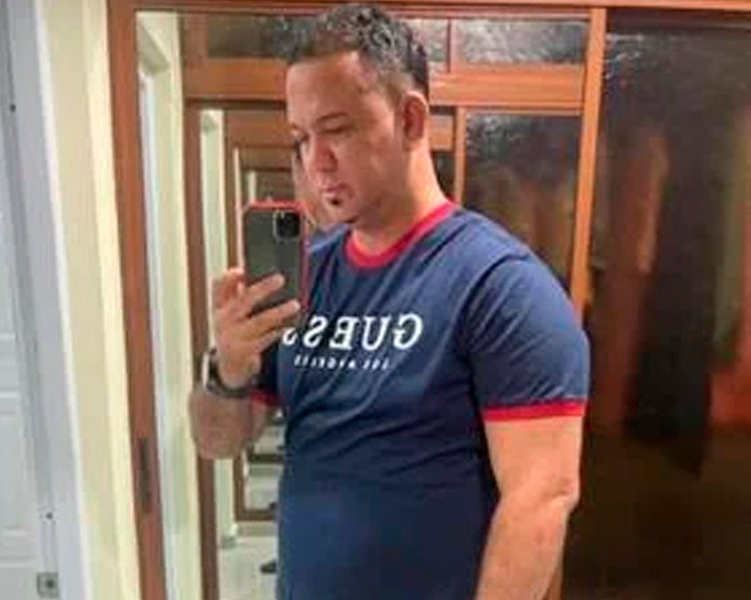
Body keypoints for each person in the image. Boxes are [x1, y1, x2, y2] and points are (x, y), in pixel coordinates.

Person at [189, 4, 589, 599]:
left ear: (410, 119)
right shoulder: (307, 277)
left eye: (337, 130)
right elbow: (219, 442)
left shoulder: (501, 288)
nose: (315, 162)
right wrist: (226, 371)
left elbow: (542, 496)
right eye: (301, 138)